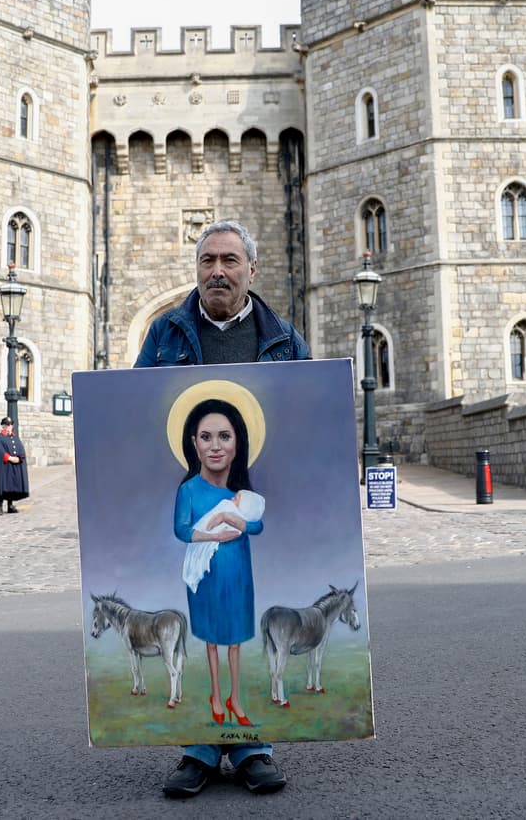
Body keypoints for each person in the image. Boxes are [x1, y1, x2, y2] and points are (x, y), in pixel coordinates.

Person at [135, 219, 306, 798]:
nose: (217, 271)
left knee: (240, 637)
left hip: (244, 562)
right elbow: (135, 410)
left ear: (251, 270)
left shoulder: (283, 338)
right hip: (204, 566)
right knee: (209, 638)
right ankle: (200, 747)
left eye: (230, 260)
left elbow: (305, 420)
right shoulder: (164, 334)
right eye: (208, 260)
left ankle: (254, 745)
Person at [174, 400, 263, 728]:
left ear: (237, 443)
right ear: (193, 444)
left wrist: (233, 520)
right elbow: (180, 529)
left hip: (238, 574)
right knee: (212, 639)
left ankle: (234, 698)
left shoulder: (241, 494)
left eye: (224, 436)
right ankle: (215, 695)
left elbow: (257, 525)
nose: (215, 445)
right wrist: (209, 537)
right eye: (206, 436)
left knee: (235, 639)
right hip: (206, 576)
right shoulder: (189, 491)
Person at [0, 417, 28, 514]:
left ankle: (10, 505)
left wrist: (19, 457)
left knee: (11, 486)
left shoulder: (15, 437)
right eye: (7, 425)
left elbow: (20, 449)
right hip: (3, 466)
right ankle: (0, 507)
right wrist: (9, 458)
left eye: (10, 425)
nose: (9, 427)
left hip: (13, 467)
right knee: (2, 485)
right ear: (3, 425)